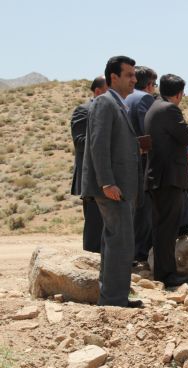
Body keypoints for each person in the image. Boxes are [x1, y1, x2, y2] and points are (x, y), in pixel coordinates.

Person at [81, 55, 141, 308]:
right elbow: (98, 144)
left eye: (134, 75)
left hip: (121, 187)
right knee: (120, 242)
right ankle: (114, 301)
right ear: (113, 77)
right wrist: (106, 182)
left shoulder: (117, 104)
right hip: (112, 187)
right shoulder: (105, 102)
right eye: (129, 75)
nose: (134, 80)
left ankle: (113, 297)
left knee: (115, 241)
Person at [144, 74, 188, 287]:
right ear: (178, 93)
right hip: (169, 178)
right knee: (167, 229)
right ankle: (167, 274)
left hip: (159, 178)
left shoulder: (154, 107)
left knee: (162, 228)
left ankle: (163, 272)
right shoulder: (169, 109)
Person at [124, 66, 158, 265]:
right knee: (144, 209)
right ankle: (140, 251)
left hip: (126, 160)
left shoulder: (125, 97)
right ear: (149, 84)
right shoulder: (144, 99)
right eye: (154, 84)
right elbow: (149, 130)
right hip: (143, 160)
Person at [70, 76, 107, 253]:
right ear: (98, 91)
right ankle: (90, 263)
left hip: (110, 177)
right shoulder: (83, 110)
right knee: (95, 226)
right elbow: (80, 141)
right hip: (92, 178)